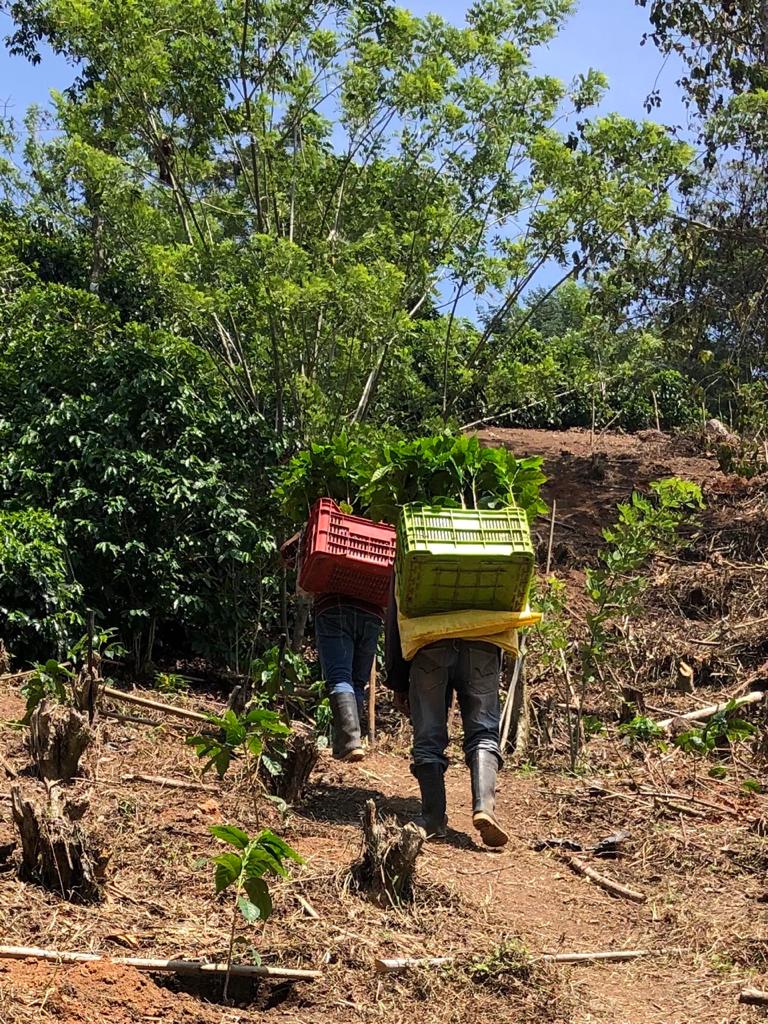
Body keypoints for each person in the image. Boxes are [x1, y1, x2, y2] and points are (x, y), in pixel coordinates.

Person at [384, 579, 509, 848]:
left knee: (428, 736)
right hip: (484, 642)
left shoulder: (418, 540)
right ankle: (484, 807)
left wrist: (397, 679)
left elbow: (397, 607)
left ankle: (432, 817)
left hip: (431, 643)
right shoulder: (494, 543)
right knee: (484, 732)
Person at [281, 530, 383, 762]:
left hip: (334, 608)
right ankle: (349, 742)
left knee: (339, 678)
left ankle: (349, 741)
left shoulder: (331, 527)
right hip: (372, 613)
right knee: (357, 681)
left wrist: (306, 531)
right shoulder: (380, 525)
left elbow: (287, 553)